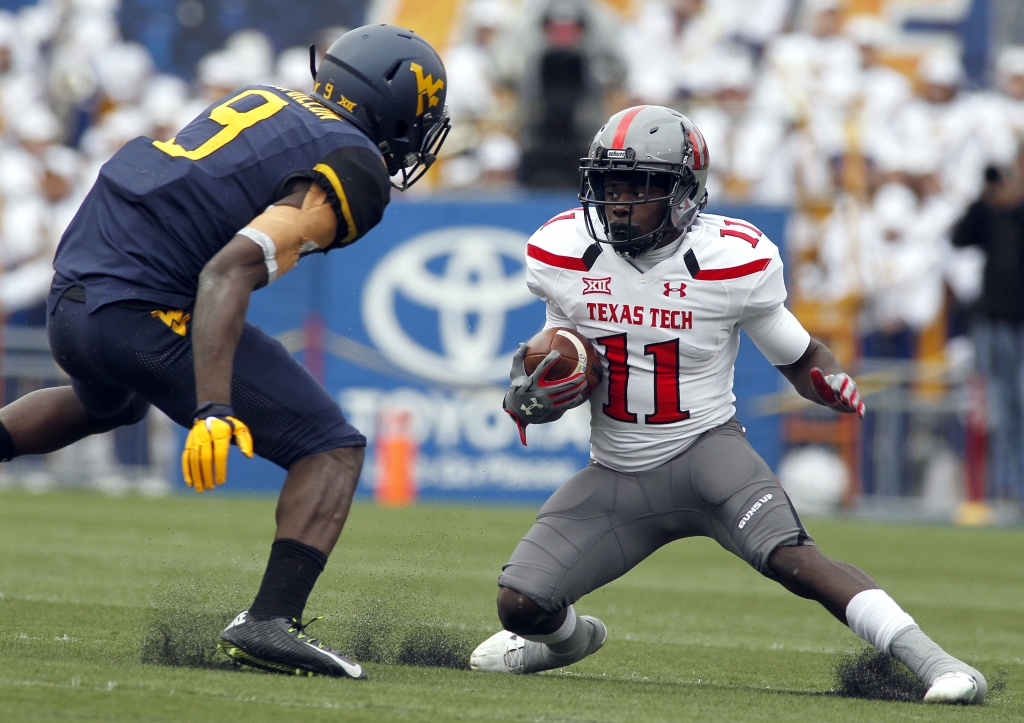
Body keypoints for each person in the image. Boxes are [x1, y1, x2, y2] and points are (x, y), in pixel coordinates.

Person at [469, 106, 986, 704]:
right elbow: (560, 349)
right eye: (609, 184)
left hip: (709, 458)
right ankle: (569, 641)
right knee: (521, 603)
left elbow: (800, 354)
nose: (617, 202)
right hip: (616, 474)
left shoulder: (731, 261)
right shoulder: (564, 251)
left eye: (639, 186)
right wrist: (534, 393)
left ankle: (940, 664)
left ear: (684, 193)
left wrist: (827, 380)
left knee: (795, 560)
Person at [0, 24, 450, 679]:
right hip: (137, 305)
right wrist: (213, 406)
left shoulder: (271, 100)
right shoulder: (352, 162)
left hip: (74, 288)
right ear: (396, 109)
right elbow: (226, 271)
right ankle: (270, 620)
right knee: (330, 445)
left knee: (111, 403)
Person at [952, 162, 1024, 505]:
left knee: (1017, 404)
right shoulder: (990, 214)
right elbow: (959, 237)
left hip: (1017, 324)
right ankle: (1012, 487)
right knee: (1003, 408)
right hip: (995, 322)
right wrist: (986, 199)